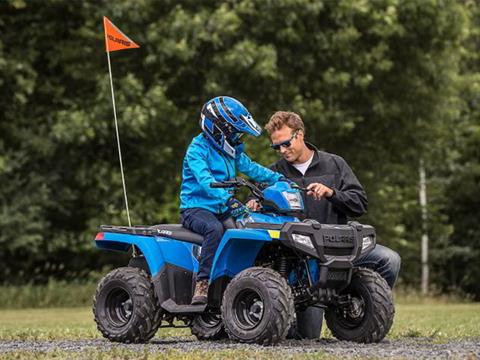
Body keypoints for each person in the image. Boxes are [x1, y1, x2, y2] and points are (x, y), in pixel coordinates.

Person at [247, 111, 401, 338]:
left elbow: (360, 204)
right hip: (300, 262)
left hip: (339, 249)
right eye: (276, 147)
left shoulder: (334, 164)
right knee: (307, 336)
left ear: (299, 135)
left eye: (286, 143)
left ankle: (351, 301)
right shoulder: (272, 173)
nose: (282, 150)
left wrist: (332, 193)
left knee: (389, 260)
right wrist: (254, 204)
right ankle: (299, 309)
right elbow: (252, 210)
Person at [180, 96, 284, 305]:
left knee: (249, 227)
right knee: (214, 230)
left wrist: (279, 178)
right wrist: (229, 201)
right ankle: (202, 283)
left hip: (222, 207)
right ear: (219, 130)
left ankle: (241, 284)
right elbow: (206, 181)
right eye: (235, 133)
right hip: (195, 208)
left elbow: (250, 167)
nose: (239, 138)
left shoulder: (231, 150)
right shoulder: (197, 150)